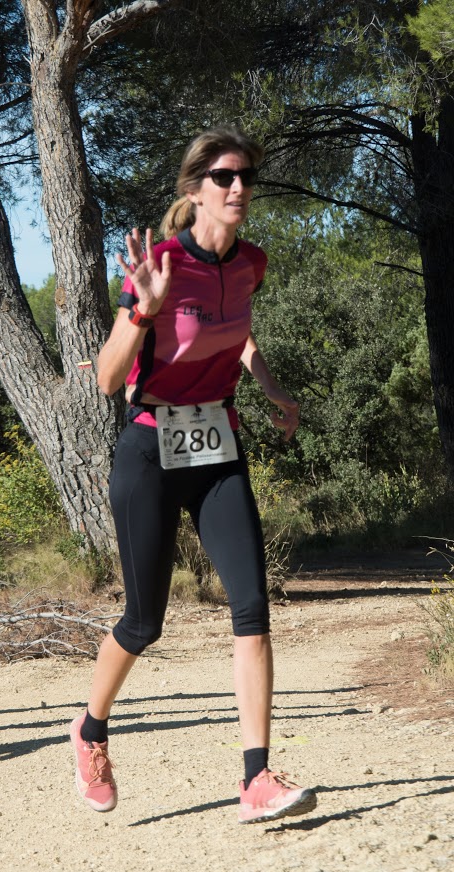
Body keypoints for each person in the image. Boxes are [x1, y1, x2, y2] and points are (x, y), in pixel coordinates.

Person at [69, 125, 317, 824]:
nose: (239, 188)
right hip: (150, 447)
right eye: (224, 177)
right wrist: (144, 309)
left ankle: (256, 777)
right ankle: (89, 730)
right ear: (194, 190)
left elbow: (236, 330)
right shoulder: (160, 262)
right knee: (144, 621)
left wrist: (269, 386)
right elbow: (111, 378)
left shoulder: (252, 263)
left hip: (217, 445)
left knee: (252, 607)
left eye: (246, 178)